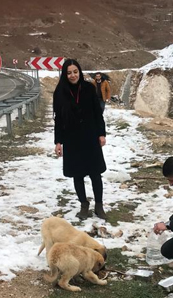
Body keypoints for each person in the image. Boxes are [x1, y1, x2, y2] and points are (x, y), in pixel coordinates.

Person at [53, 59, 108, 220]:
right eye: (69, 72)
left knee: (95, 173)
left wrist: (101, 134)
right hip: (72, 139)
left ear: (80, 72)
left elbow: (98, 113)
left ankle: (99, 205)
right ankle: (84, 205)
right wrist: (58, 142)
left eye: (75, 72)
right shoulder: (60, 92)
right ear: (65, 74)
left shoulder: (89, 89)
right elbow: (58, 119)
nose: (72, 75)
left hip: (90, 137)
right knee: (77, 174)